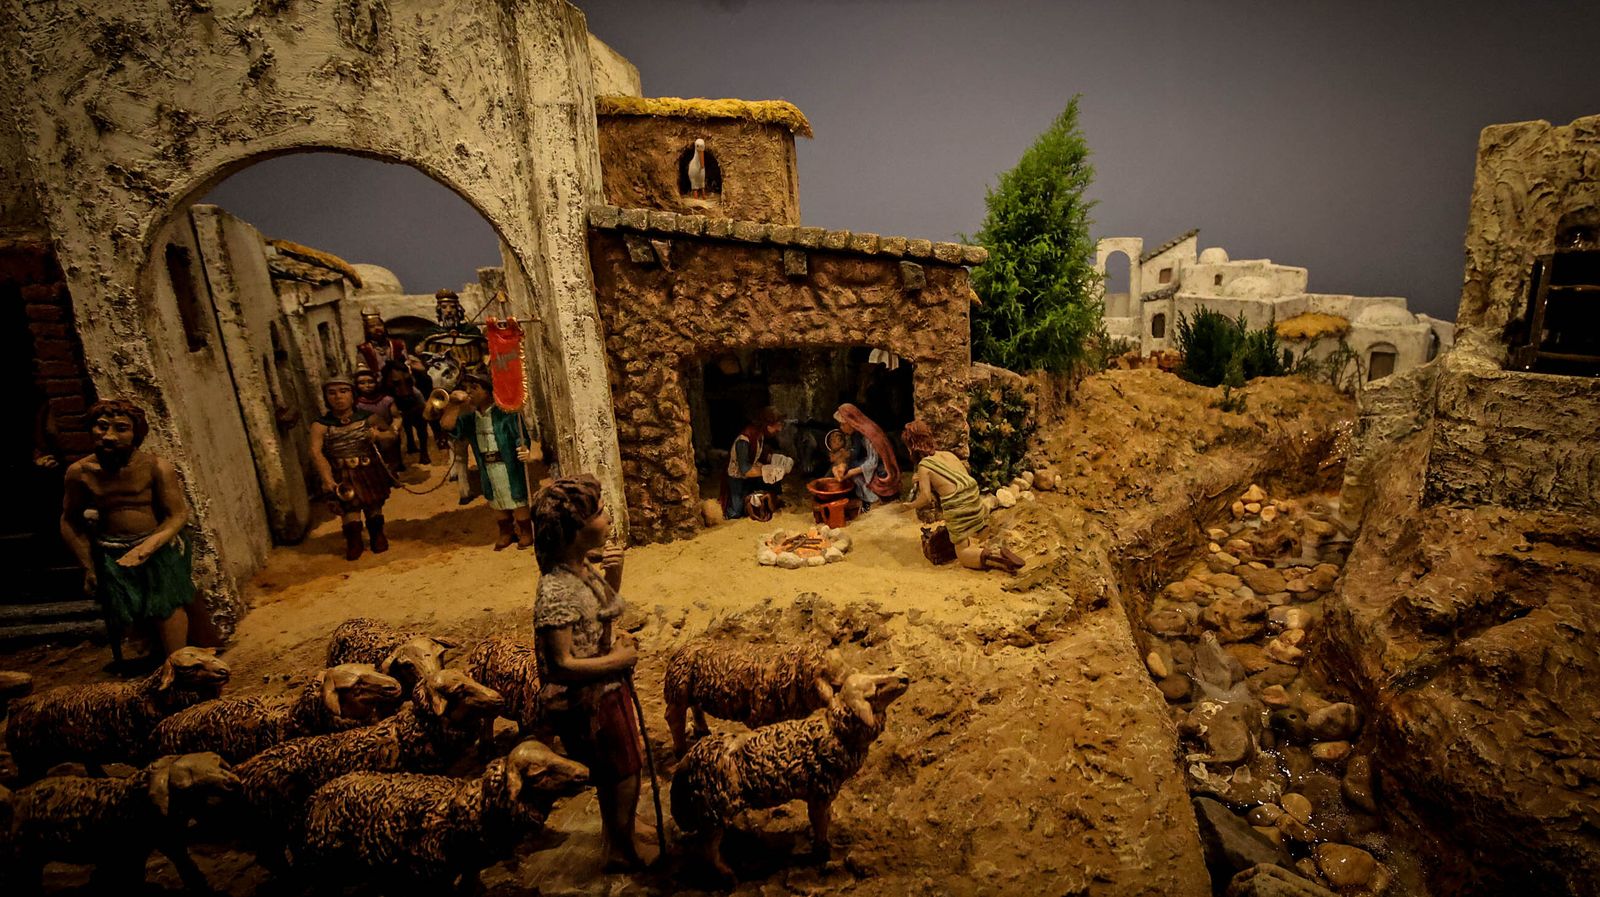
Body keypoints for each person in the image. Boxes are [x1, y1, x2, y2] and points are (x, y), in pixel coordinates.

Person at [531, 476, 655, 871]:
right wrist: (618, 661)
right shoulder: (556, 591)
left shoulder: (582, 569)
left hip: (605, 689)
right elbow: (560, 664)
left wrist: (613, 580)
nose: (606, 518)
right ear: (574, 530)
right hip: (589, 699)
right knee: (619, 772)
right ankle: (620, 849)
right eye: (599, 512)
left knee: (622, 767)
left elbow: (600, 618)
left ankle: (623, 829)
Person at [60, 399, 194, 665]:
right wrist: (89, 566)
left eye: (121, 428)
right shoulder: (80, 473)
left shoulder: (156, 467)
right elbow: (69, 520)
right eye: (101, 427)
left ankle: (177, 663)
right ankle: (148, 665)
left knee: (166, 604)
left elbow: (177, 514)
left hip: (155, 550)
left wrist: (148, 548)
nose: (109, 436)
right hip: (112, 552)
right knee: (127, 608)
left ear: (136, 434)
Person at [899, 420, 1024, 573]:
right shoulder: (947, 455)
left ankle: (994, 557)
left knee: (963, 554)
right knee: (979, 533)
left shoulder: (924, 466)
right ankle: (988, 542)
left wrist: (910, 506)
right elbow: (956, 477)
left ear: (912, 446)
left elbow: (926, 497)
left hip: (959, 508)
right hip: (975, 501)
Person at [437, 373, 540, 550]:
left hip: (508, 465)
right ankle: (506, 531)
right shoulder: (470, 419)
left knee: (517, 498)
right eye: (467, 388)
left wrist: (523, 448)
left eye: (474, 388)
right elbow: (448, 426)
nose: (469, 392)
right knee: (496, 500)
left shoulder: (506, 414)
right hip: (487, 466)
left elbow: (519, 435)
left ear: (488, 391)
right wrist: (454, 404)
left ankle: (525, 531)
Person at [310, 377, 392, 561]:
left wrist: (378, 435)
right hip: (342, 472)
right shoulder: (321, 425)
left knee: (373, 505)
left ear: (352, 394)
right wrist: (327, 479)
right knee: (349, 509)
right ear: (325, 397)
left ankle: (377, 535)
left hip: (367, 468)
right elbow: (316, 452)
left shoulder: (368, 418)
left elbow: (392, 435)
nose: (338, 397)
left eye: (343, 391)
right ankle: (354, 542)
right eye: (332, 393)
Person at [831, 403, 901, 510]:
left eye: (842, 424)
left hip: (883, 468)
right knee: (852, 468)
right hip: (871, 462)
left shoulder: (869, 434)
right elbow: (854, 452)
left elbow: (873, 462)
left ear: (850, 422)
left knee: (856, 477)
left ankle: (874, 501)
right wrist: (842, 465)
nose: (841, 427)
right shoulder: (857, 433)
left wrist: (851, 472)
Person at [724, 407, 784, 519]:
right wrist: (765, 471)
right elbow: (745, 470)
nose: (779, 429)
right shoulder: (744, 440)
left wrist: (778, 460)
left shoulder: (759, 436)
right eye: (776, 425)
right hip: (738, 477)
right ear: (767, 424)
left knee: (769, 489)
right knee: (736, 511)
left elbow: (759, 454)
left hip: (751, 475)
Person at [353, 368, 403, 474]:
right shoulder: (356, 405)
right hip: (369, 436)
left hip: (387, 433)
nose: (367, 385)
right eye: (362, 383)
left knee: (392, 456)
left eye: (370, 382)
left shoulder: (386, 400)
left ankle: (393, 473)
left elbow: (397, 417)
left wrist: (393, 429)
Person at [384, 360, 431, 465]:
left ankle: (423, 453)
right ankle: (405, 452)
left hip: (411, 399)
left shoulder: (407, 376)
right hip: (396, 400)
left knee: (421, 424)